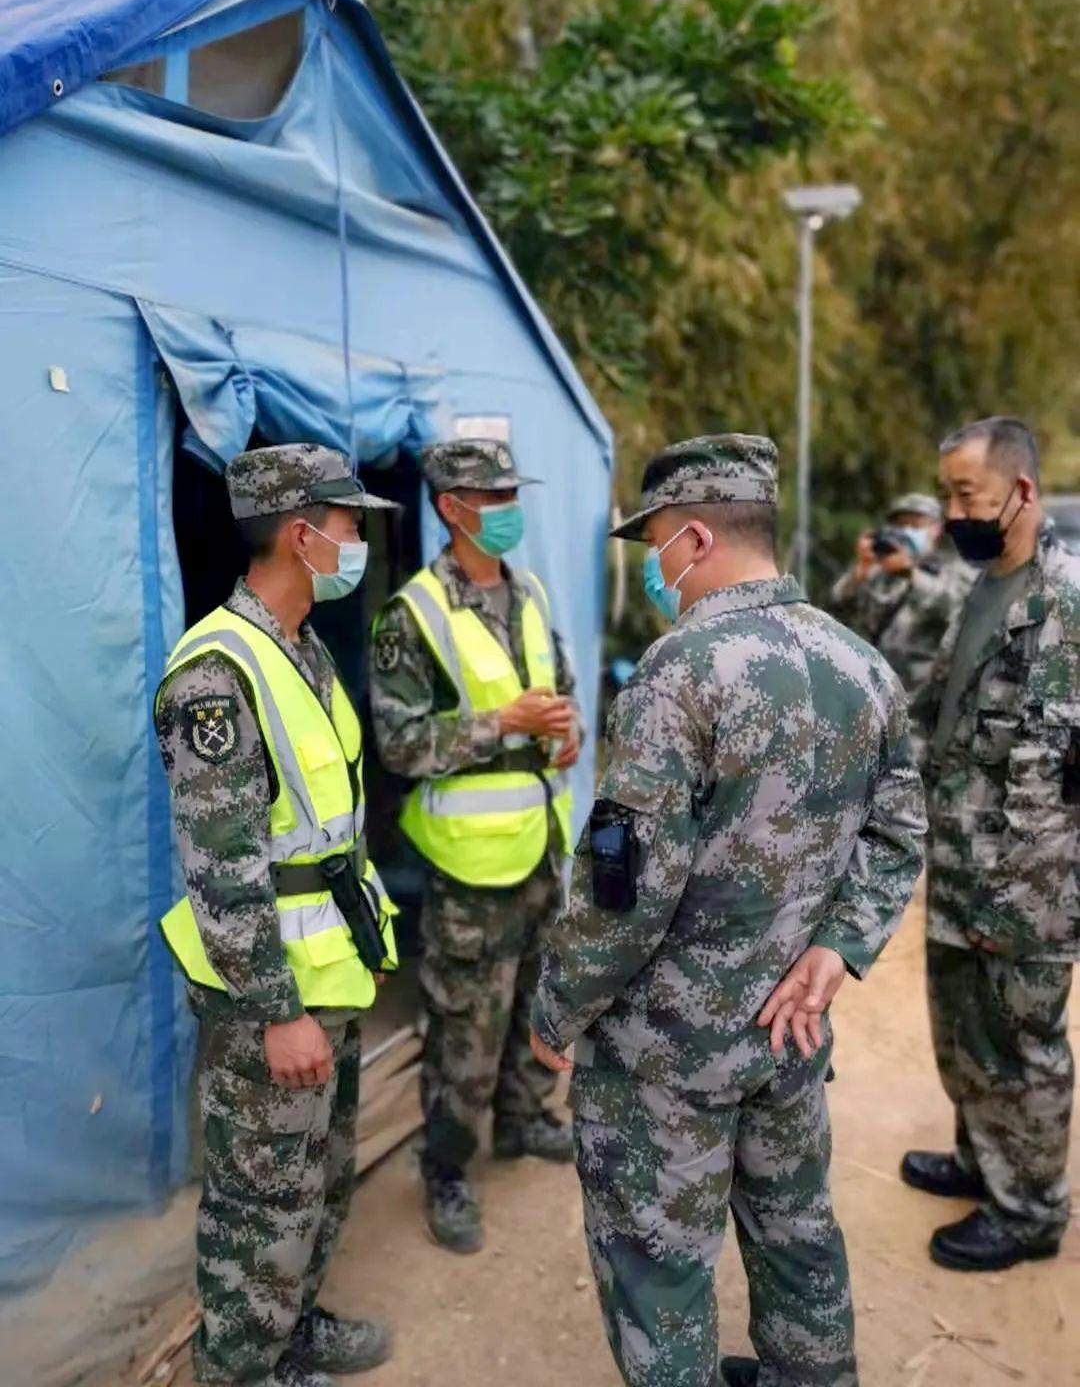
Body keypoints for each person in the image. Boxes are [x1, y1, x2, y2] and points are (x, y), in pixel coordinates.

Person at [530, 434, 926, 1387]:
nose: (655, 571)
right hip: (789, 1034)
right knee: (795, 1234)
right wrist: (840, 946)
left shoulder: (679, 673)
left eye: (655, 546)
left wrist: (556, 1008)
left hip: (668, 1055)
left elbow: (625, 893)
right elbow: (903, 825)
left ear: (696, 537)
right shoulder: (860, 663)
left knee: (660, 1269)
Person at [155, 443, 400, 1387]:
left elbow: (330, 828)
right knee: (261, 1204)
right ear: (302, 535)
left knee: (318, 1179)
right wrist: (276, 1010)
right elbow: (222, 872)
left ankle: (291, 1335)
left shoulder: (301, 651)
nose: (358, 541)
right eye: (348, 524)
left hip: (327, 966)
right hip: (273, 993)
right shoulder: (217, 675)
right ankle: (240, 1368)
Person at [369, 437, 582, 1255]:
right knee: (464, 1026)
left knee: (536, 1002)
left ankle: (525, 1117)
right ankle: (447, 1169)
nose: (508, 512)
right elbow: (399, 744)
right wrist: (505, 724)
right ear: (453, 510)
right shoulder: (414, 613)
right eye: (492, 500)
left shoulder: (527, 592)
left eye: (510, 495)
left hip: (539, 847)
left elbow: (557, 693)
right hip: (466, 866)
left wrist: (566, 733)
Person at [902, 416, 1080, 1272]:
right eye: (947, 494)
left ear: (1020, 491)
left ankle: (1033, 1211)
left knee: (1023, 1047)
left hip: (1031, 890)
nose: (952, 512)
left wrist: (1035, 885)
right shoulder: (981, 592)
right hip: (964, 871)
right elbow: (931, 710)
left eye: (964, 494)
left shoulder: (1068, 604)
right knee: (965, 1032)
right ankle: (985, 1161)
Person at [830, 492, 976, 698]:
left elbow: (955, 607)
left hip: (923, 700)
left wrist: (911, 575)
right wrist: (861, 571)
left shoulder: (952, 570)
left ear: (936, 529)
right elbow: (838, 608)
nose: (906, 531)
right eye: (900, 524)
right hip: (874, 694)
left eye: (916, 525)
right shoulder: (880, 571)